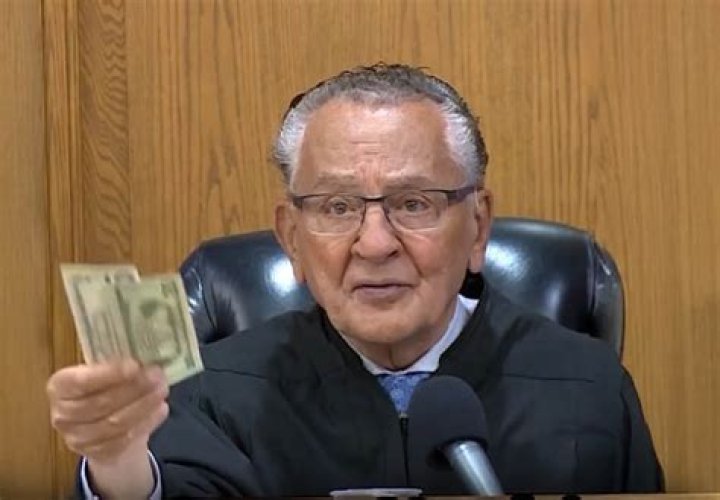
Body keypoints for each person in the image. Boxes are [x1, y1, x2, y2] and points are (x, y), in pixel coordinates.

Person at [46, 64, 663, 498]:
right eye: (337, 207)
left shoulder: (587, 387)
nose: (374, 243)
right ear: (292, 238)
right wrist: (118, 461)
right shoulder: (214, 393)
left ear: (477, 227)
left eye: (414, 203)